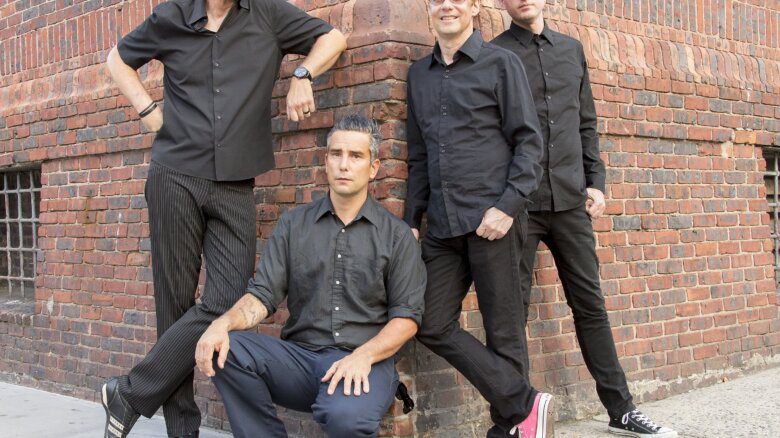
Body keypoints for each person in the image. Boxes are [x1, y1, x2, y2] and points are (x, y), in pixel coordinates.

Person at [101, 1, 346, 437]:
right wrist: (146, 110)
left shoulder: (268, 14)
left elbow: (333, 37)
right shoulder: (173, 15)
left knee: (228, 296)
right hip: (175, 174)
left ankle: (130, 392)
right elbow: (118, 59)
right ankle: (182, 430)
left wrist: (303, 74)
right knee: (173, 305)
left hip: (235, 182)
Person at [492, 1, 678, 437]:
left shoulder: (572, 50)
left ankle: (623, 410)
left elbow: (586, 123)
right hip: (519, 205)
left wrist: (596, 180)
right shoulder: (494, 54)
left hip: (572, 201)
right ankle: (515, 418)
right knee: (511, 314)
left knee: (590, 306)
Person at [193, 114, 426, 437]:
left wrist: (363, 356)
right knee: (225, 349)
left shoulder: (396, 236)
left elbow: (407, 319)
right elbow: (263, 295)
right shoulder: (294, 225)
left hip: (365, 363)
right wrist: (223, 323)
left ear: (373, 168)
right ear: (326, 162)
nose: (344, 165)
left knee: (345, 416)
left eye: (356, 156)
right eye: (336, 154)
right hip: (300, 362)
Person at [404, 0, 551, 436]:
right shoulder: (418, 75)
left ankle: (510, 428)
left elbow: (529, 143)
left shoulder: (501, 64)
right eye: (437, 0)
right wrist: (413, 217)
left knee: (504, 332)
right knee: (428, 321)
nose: (446, 6)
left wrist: (506, 208)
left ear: (473, 7)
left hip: (494, 222)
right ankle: (525, 403)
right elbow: (418, 154)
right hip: (442, 226)